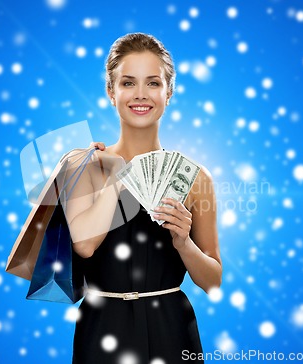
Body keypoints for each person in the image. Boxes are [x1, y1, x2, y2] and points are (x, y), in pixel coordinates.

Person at [64, 32, 222, 364]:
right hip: (102, 328)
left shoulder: (195, 178)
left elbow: (213, 281)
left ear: (169, 92)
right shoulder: (84, 165)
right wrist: (119, 177)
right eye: (127, 83)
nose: (140, 95)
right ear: (111, 91)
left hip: (172, 327)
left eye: (153, 83)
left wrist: (183, 243)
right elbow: (84, 246)